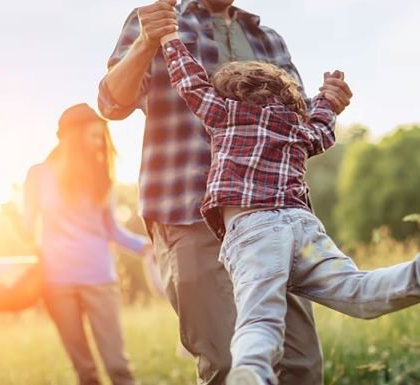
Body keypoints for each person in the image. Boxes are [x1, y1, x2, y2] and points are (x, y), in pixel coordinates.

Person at [156, 28, 420, 385]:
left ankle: (253, 372)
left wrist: (169, 39)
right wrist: (327, 100)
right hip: (303, 228)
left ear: (228, 93)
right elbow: (322, 127)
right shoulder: (296, 126)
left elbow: (190, 82)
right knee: (358, 291)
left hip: (254, 230)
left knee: (260, 315)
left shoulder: (225, 113)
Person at [97, 1, 353, 384]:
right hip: (188, 212)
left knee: (300, 367)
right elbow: (111, 103)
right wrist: (146, 42)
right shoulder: (155, 19)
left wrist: (328, 103)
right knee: (226, 364)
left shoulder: (267, 38)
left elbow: (293, 123)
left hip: (275, 218)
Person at [22, 103, 150, 385]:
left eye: (99, 137)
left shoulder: (102, 178)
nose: (98, 144)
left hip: (100, 279)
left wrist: (148, 245)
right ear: (73, 137)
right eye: (92, 136)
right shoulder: (38, 175)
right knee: (85, 371)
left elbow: (112, 231)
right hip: (56, 283)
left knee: (118, 367)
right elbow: (28, 227)